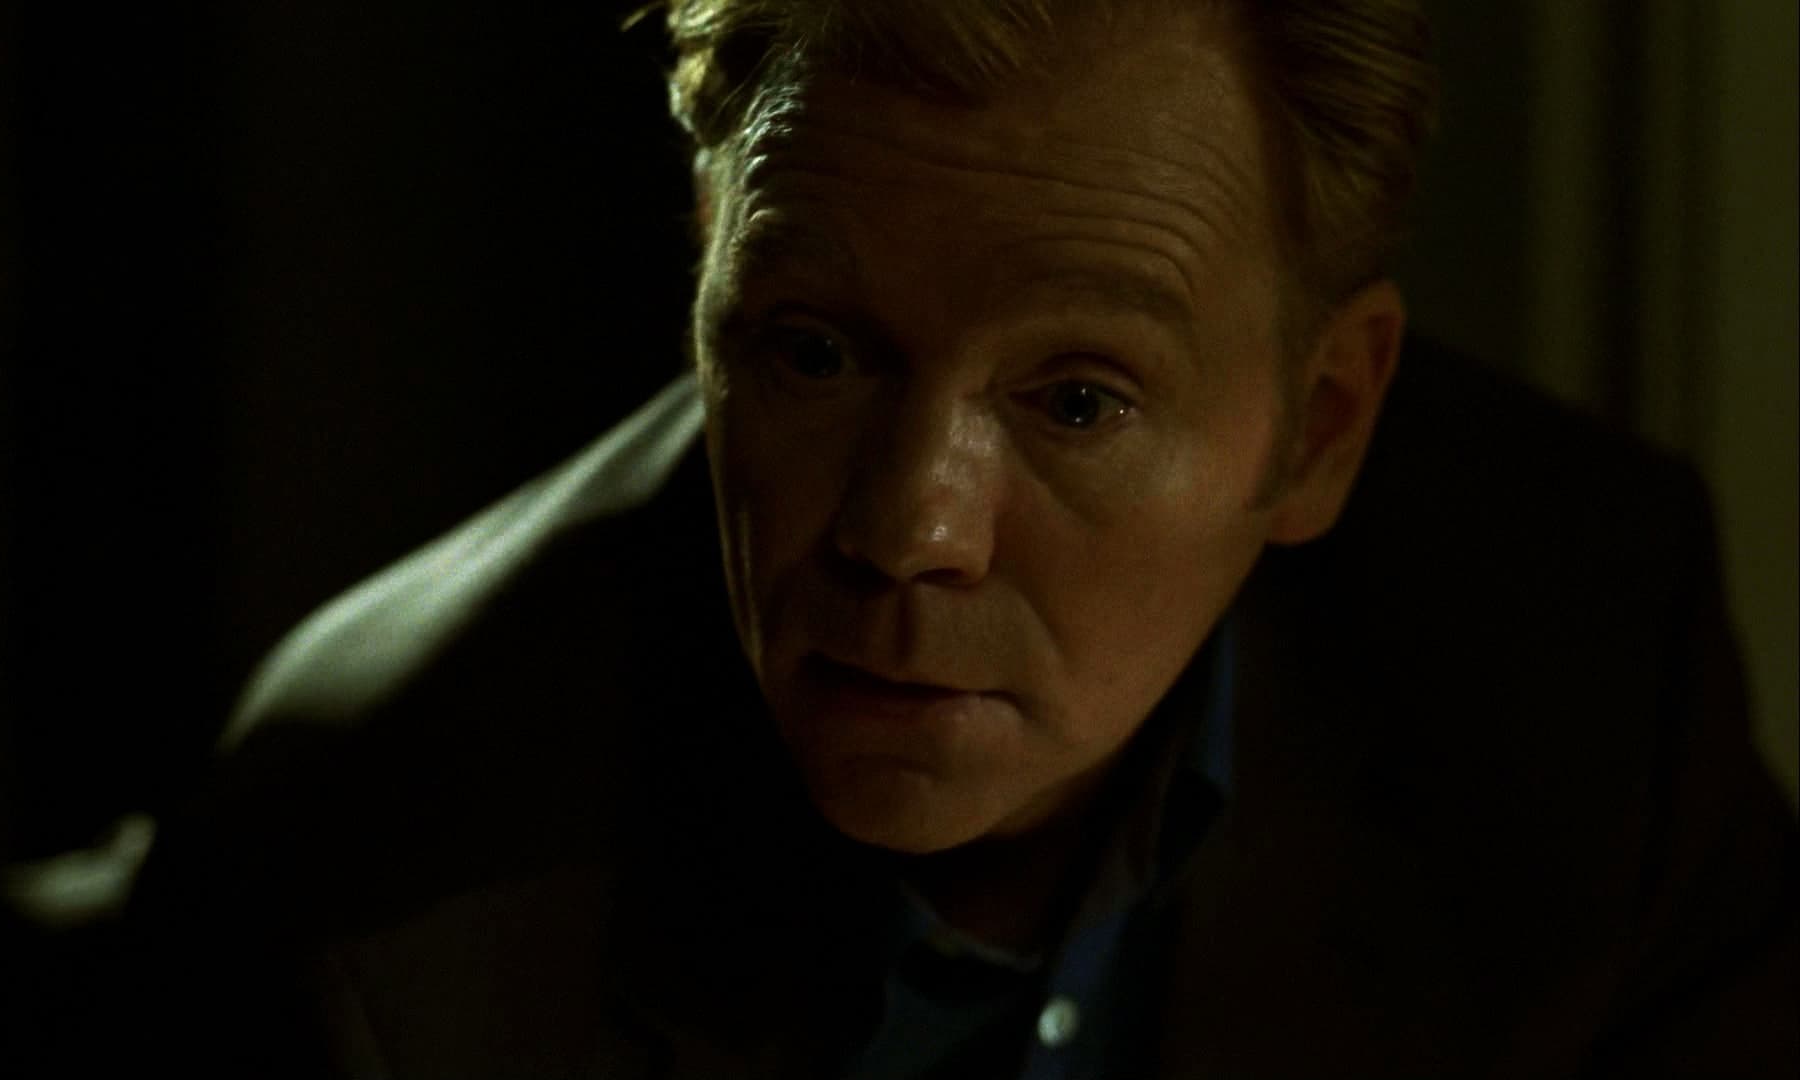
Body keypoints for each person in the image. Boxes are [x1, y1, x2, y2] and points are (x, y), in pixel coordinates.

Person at [110, 0, 1797, 1076]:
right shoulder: (381, 891)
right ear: (712, 276)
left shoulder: (1580, 653)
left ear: (1321, 426)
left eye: (1076, 399)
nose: (909, 527)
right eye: (814, 353)